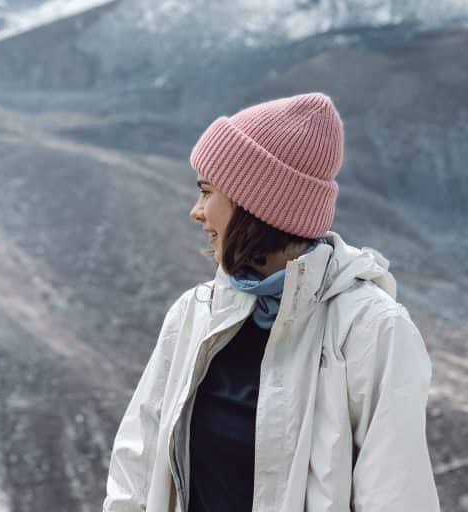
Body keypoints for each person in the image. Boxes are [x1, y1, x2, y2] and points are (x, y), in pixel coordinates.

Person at [102, 92, 440, 512]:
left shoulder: (373, 331)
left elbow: (396, 496)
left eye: (207, 192)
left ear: (256, 206)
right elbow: (136, 464)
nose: (196, 211)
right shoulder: (194, 313)